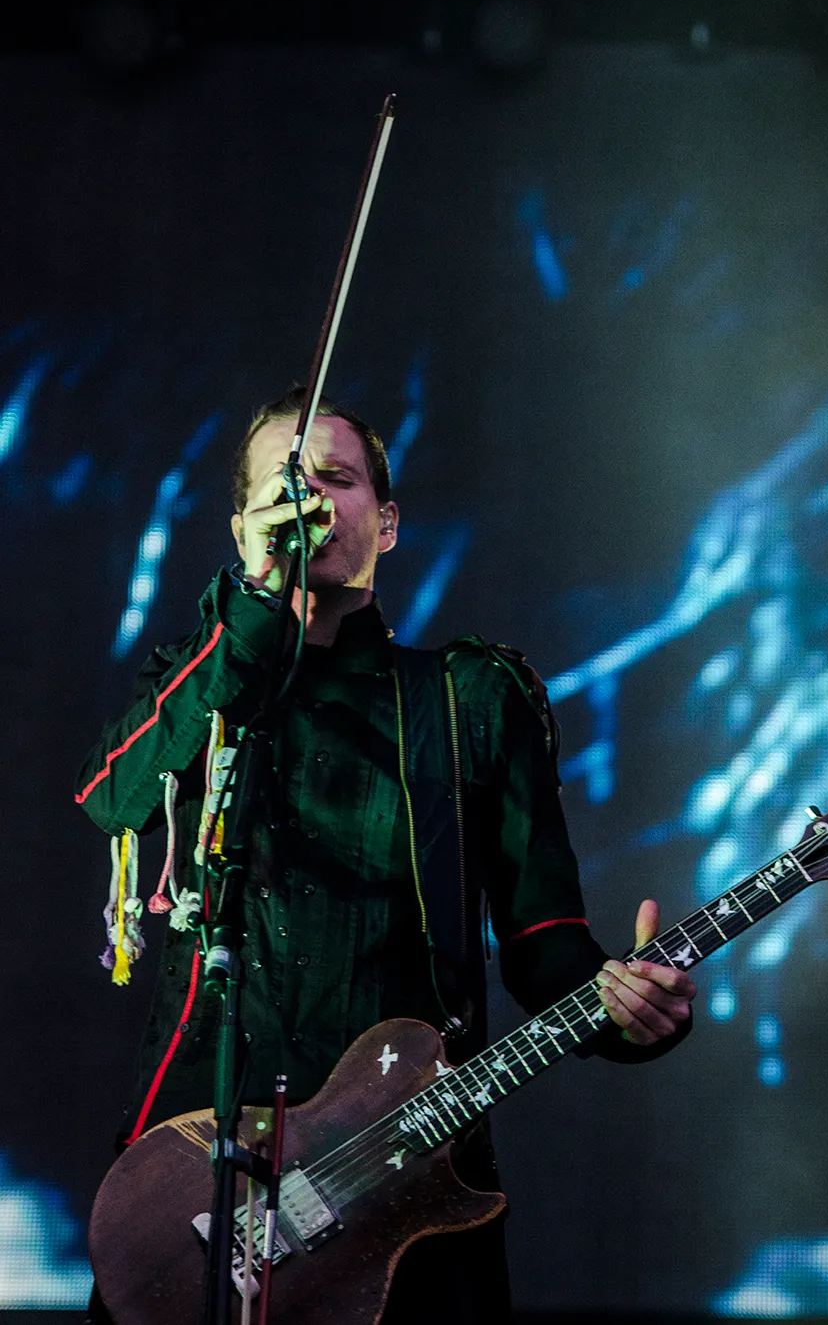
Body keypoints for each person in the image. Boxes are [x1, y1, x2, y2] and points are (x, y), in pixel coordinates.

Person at [76, 388, 696, 1324]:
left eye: (335, 479)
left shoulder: (470, 696)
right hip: (199, 1174)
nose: (310, 502)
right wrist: (251, 610)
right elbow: (111, 799)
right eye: (284, 485)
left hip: (408, 1173)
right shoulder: (201, 683)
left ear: (389, 523)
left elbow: (546, 946)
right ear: (243, 529)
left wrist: (631, 1008)